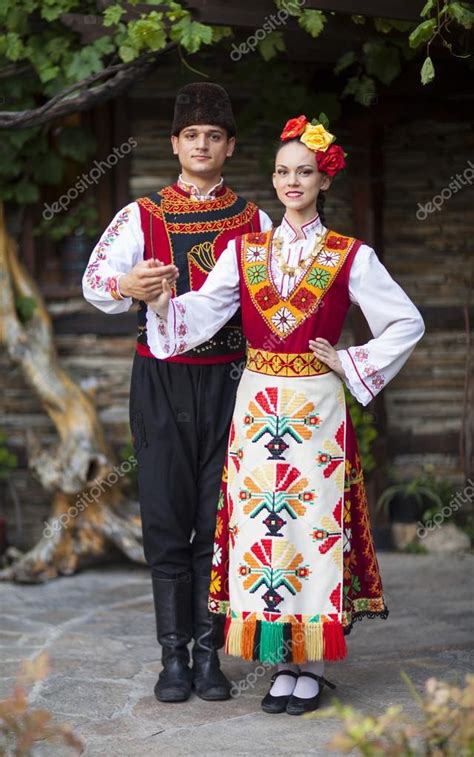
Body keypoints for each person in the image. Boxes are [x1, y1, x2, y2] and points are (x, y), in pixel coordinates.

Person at [146, 114, 425, 716]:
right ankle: (280, 665)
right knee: (263, 534)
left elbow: (407, 321)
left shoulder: (351, 254)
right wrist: (164, 299)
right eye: (281, 172)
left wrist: (351, 359)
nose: (291, 182)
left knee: (312, 529)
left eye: (304, 173)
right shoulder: (243, 250)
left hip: (318, 406)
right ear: (272, 179)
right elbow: (200, 315)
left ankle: (313, 667)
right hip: (256, 404)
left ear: (324, 181)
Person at [82, 82, 272, 704]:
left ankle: (210, 655)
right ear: (175, 144)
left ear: (230, 146)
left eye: (213, 136)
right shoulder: (142, 215)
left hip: (231, 381)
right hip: (160, 381)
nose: (201, 145)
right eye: (191, 135)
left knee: (218, 521)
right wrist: (130, 284)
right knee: (165, 516)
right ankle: (172, 659)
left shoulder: (255, 221)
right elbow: (96, 284)